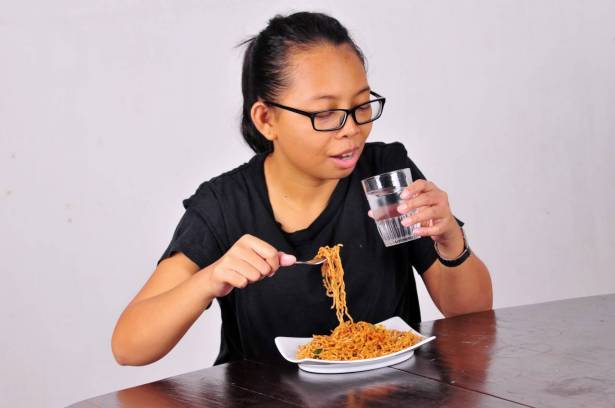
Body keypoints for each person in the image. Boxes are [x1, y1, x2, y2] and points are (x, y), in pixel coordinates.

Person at [111, 11, 492, 366]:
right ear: (266, 119)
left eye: (362, 106)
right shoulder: (225, 204)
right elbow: (128, 346)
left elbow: (472, 314)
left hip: (390, 393)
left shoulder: (384, 174)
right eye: (324, 113)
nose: (351, 129)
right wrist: (210, 279)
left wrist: (450, 239)